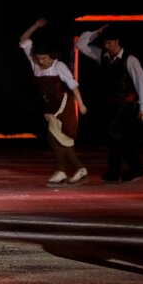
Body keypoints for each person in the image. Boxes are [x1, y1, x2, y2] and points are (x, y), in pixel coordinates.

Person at [76, 24, 143, 183]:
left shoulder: (130, 59)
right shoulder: (101, 56)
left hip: (128, 104)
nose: (106, 46)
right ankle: (134, 169)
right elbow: (80, 44)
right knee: (120, 138)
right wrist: (97, 32)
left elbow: (140, 82)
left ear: (117, 41)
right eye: (105, 43)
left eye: (109, 43)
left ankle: (114, 171)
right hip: (111, 104)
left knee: (114, 133)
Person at [19, 18, 88, 186]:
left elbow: (73, 86)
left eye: (44, 58)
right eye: (38, 58)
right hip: (50, 107)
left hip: (64, 106)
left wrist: (82, 104)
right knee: (57, 139)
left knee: (56, 138)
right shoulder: (35, 63)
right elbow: (23, 40)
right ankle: (73, 169)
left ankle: (65, 169)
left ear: (51, 56)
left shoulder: (59, 67)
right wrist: (35, 25)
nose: (41, 61)